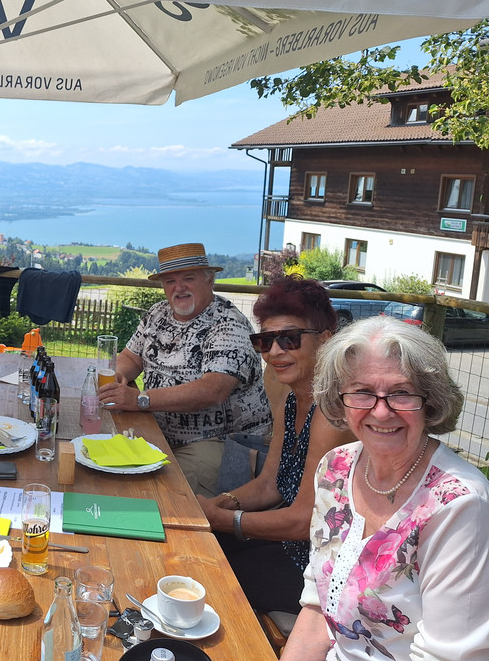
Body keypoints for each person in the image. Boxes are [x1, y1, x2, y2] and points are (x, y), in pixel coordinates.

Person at [283, 316, 489, 661]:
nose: (381, 412)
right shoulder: (336, 468)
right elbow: (318, 609)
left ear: (430, 400)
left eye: (401, 393)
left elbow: (447, 657)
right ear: (339, 398)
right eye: (363, 392)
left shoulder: (460, 503)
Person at [198, 277, 350, 615]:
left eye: (289, 338)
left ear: (325, 339)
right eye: (265, 341)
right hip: (292, 546)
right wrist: (219, 504)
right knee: (199, 548)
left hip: (322, 566)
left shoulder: (332, 412)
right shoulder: (292, 402)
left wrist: (225, 519)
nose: (275, 352)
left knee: (210, 576)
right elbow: (269, 484)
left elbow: (303, 520)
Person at [99, 242, 271, 496]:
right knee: (103, 464)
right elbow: (130, 357)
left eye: (188, 278)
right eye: (170, 281)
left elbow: (212, 390)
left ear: (209, 280)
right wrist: (119, 375)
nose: (179, 288)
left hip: (219, 443)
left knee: (149, 491)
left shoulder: (227, 324)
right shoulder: (158, 313)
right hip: (160, 433)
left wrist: (140, 400)